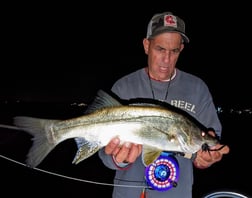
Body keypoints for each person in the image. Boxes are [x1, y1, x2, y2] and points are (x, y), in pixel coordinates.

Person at [96, 11, 230, 198]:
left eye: (173, 51)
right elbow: (104, 156)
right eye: (160, 49)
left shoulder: (197, 89)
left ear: (181, 49)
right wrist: (118, 158)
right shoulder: (123, 87)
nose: (166, 60)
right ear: (146, 45)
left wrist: (206, 159)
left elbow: (210, 144)